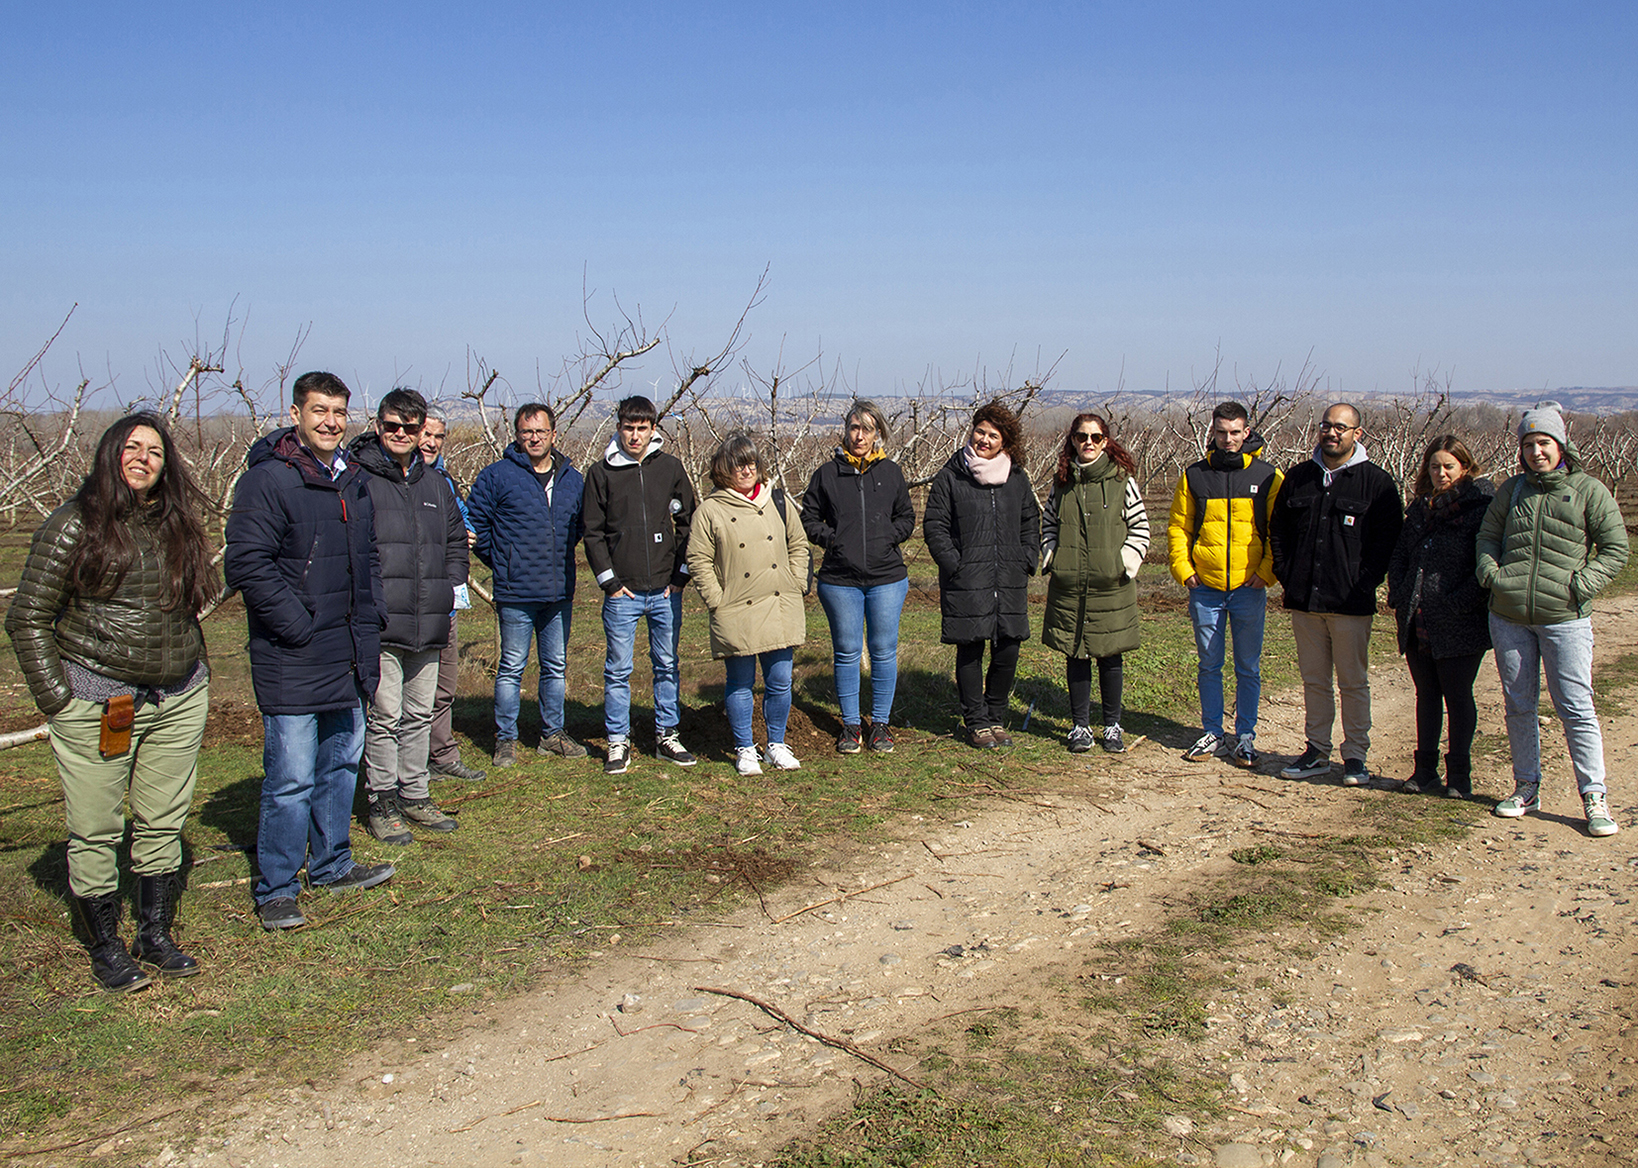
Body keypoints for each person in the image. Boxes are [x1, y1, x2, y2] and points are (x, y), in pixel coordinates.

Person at [6, 415, 216, 990]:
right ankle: (105, 945)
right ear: (109, 454)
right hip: (102, 700)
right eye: (131, 447)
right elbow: (26, 617)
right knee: (97, 825)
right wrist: (59, 699)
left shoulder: (178, 525)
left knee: (163, 819)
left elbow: (187, 607)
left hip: (176, 696)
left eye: (155, 450)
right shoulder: (75, 524)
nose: (143, 458)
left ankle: (154, 933)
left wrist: (196, 675)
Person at [225, 371, 394, 932]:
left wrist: (371, 618)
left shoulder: (351, 478)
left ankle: (331, 863)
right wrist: (298, 624)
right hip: (293, 654)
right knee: (291, 776)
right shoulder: (269, 480)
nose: (330, 422)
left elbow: (367, 555)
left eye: (339, 412)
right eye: (319, 410)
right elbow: (248, 563)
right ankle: (276, 885)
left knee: (341, 761)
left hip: (348, 648)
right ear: (295, 412)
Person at [1475, 402, 1629, 835]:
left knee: (1576, 707)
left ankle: (1593, 796)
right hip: (1509, 615)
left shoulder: (1588, 490)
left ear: (1560, 445)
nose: (1536, 452)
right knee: (1519, 704)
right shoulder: (1512, 490)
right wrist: (1492, 575)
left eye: (1544, 443)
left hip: (1565, 618)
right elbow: (1488, 535)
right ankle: (1526, 785)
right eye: (1528, 444)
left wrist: (1580, 585)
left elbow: (1616, 549)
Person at [348, 389, 470, 845]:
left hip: (429, 618)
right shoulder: (359, 478)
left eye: (411, 427)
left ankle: (415, 792)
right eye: (392, 426)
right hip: (382, 622)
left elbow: (457, 542)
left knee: (419, 712)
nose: (401, 434)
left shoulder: (436, 484)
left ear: (423, 431)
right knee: (385, 716)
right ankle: (382, 799)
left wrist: (447, 584)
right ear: (378, 426)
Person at [1270, 402, 1403, 786]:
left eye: (1341, 428)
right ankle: (1316, 749)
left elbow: (1386, 543)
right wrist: (1286, 573)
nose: (1332, 433)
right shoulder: (1298, 478)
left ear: (1357, 434)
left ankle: (1356, 755)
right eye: (1326, 426)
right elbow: (1278, 531)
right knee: (1314, 680)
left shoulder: (1376, 484)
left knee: (1353, 681)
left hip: (1350, 604)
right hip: (1305, 602)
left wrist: (1364, 583)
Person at [582, 396, 698, 775]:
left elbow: (689, 525)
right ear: (618, 427)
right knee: (618, 669)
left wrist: (681, 577)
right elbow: (593, 533)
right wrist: (610, 583)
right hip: (624, 594)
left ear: (653, 429)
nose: (635, 435)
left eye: (642, 428)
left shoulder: (670, 468)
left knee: (667, 665)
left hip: (665, 590)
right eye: (629, 428)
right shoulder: (602, 473)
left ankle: (667, 734)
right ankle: (618, 740)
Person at [467, 404, 585, 766]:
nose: (534, 438)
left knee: (555, 666)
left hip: (558, 591)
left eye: (540, 431)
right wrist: (503, 562)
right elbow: (477, 526)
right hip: (516, 591)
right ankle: (506, 738)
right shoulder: (497, 476)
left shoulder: (572, 479)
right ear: (517, 436)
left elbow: (580, 527)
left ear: (553, 434)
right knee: (511, 667)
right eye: (526, 432)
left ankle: (552, 734)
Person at [1166, 401, 1282, 767]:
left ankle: (1245, 735)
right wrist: (1184, 570)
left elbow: (1279, 531)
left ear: (1247, 433)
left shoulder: (1267, 476)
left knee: (1248, 666)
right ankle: (1212, 731)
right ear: (1212, 433)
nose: (1228, 439)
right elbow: (1178, 526)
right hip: (1207, 588)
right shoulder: (1195, 475)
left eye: (1235, 432)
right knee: (1209, 664)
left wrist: (1266, 573)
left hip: (1249, 589)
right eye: (1221, 433)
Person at [687, 433, 809, 775]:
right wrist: (716, 599)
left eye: (752, 463)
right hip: (736, 607)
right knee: (740, 682)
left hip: (780, 602)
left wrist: (796, 582)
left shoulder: (777, 501)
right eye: (738, 464)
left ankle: (776, 744)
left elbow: (798, 544)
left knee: (780, 680)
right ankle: (744, 748)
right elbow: (698, 559)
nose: (746, 470)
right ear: (723, 468)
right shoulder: (711, 509)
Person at [923, 400, 1041, 749]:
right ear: (971, 431)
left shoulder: (1016, 479)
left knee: (1007, 649)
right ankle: (975, 721)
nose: (984, 440)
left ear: (1005, 442)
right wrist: (954, 565)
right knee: (970, 650)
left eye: (993, 435)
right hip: (967, 580)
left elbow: (1030, 521)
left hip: (1009, 578)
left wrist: (1027, 559)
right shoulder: (951, 475)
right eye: (980, 432)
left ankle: (995, 716)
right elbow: (935, 526)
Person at [800, 400, 915, 754]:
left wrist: (887, 537)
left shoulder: (891, 473)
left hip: (887, 578)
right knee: (847, 652)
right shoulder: (826, 474)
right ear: (845, 431)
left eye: (867, 428)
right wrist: (834, 540)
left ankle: (880, 723)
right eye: (854, 427)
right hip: (839, 580)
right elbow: (809, 519)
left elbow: (907, 518)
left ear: (877, 432)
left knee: (883, 651)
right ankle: (851, 725)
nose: (860, 435)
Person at [1385, 437, 1494, 798]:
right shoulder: (1419, 508)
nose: (1441, 473)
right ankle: (1424, 770)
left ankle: (1459, 776)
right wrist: (1400, 592)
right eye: (1434, 466)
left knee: (1458, 696)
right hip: (1418, 617)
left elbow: (1485, 562)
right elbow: (1400, 553)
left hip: (1459, 620)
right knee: (1426, 694)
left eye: (1449, 466)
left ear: (1465, 467)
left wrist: (1458, 601)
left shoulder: (1481, 508)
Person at [1042, 413, 1150, 754]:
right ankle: (1080, 726)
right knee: (1076, 653)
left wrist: (1123, 563)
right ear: (1072, 440)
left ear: (1106, 441)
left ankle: (1113, 725)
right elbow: (1048, 526)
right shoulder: (1062, 482)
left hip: (1111, 585)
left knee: (1110, 655)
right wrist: (1052, 559)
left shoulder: (1121, 480)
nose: (1088, 443)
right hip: (1070, 585)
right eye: (1081, 436)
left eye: (1095, 437)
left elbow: (1141, 527)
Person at [418, 409, 486, 783]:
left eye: (438, 436)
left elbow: (464, 520)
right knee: (408, 690)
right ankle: (408, 765)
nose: (430, 442)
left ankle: (441, 753)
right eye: (425, 434)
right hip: (410, 601)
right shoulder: (400, 480)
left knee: (445, 683)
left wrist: (467, 533)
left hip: (447, 596)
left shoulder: (443, 479)